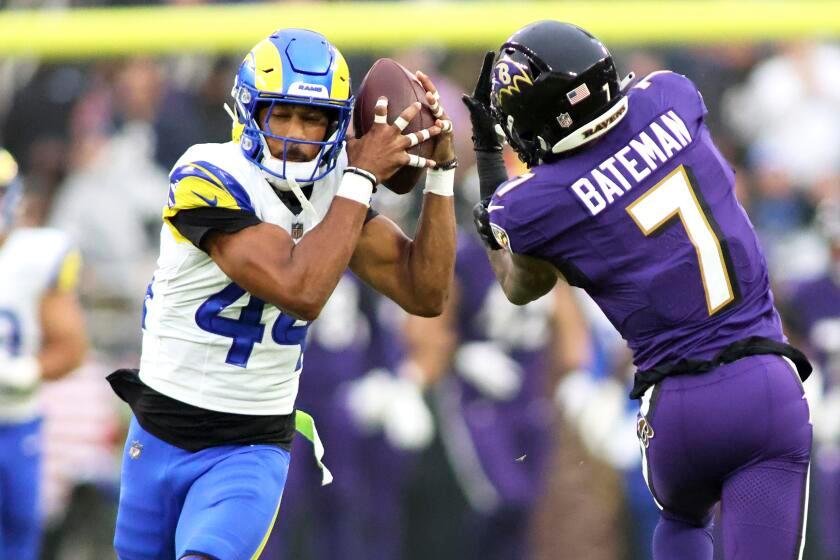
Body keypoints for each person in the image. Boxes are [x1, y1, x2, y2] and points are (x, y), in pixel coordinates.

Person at [464, 20, 813, 560]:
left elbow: (519, 284)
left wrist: (489, 164)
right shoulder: (671, 93)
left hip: (676, 411)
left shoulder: (532, 205)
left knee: (681, 517)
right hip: (764, 384)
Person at [107, 27, 456, 560]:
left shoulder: (337, 190)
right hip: (156, 436)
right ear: (251, 112)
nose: (296, 133)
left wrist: (441, 177)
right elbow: (300, 288)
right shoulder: (206, 173)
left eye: (314, 118)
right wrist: (359, 178)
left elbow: (425, 292)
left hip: (248, 449)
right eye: (283, 115)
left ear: (340, 126)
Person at [0, 148, 87, 560]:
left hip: (15, 421)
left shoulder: (37, 255)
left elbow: (71, 347)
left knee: (18, 530)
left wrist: (27, 370)